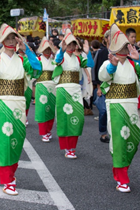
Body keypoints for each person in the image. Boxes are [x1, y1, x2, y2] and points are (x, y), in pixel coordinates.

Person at [0, 23, 42, 195]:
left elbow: (38, 69)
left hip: (19, 105)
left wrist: (26, 49)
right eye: (8, 38)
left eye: (14, 38)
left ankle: (11, 175)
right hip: (2, 104)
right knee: (4, 141)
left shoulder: (22, 60)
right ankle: (7, 181)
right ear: (2, 41)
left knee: (16, 142)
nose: (12, 41)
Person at [99, 24, 140, 193]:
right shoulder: (108, 62)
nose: (123, 49)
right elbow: (104, 76)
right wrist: (113, 65)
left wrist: (139, 59)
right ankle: (121, 179)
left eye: (125, 46)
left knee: (133, 140)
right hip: (115, 107)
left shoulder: (133, 64)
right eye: (119, 46)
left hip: (131, 106)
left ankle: (122, 170)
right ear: (114, 47)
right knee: (119, 141)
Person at [53, 29, 94, 159]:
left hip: (76, 89)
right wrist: (62, 49)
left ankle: (72, 146)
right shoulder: (61, 55)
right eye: (68, 44)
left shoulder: (78, 58)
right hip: (63, 90)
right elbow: (57, 61)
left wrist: (87, 52)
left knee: (78, 118)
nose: (71, 47)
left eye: (73, 44)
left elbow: (90, 64)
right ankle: (67, 148)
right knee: (64, 119)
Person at [34, 36, 57, 142]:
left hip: (52, 87)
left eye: (49, 49)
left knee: (51, 109)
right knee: (42, 110)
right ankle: (44, 132)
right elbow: (33, 74)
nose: (47, 51)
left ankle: (48, 130)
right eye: (45, 49)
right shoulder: (38, 60)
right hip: (41, 86)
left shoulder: (54, 61)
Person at [92, 30, 111, 143]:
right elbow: (97, 68)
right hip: (103, 85)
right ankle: (103, 133)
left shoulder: (120, 52)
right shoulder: (102, 52)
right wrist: (98, 87)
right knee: (103, 111)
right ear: (105, 38)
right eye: (110, 37)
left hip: (115, 85)